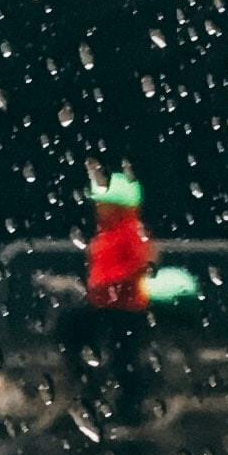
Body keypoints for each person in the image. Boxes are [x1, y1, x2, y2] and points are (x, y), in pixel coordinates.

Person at [75, 168, 156, 429]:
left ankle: (131, 410)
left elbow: (135, 266)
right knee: (110, 353)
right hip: (106, 305)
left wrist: (105, 286)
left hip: (126, 307)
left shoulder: (130, 232)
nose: (99, 209)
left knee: (125, 359)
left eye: (104, 204)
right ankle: (97, 397)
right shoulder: (107, 234)